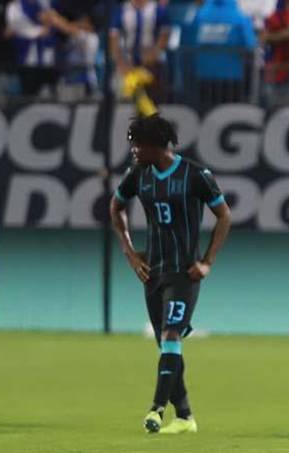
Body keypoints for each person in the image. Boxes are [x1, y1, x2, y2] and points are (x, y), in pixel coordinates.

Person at [109, 115, 234, 435]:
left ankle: (156, 410)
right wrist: (129, 251)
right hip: (152, 272)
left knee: (170, 337)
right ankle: (186, 417)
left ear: (157, 145)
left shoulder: (195, 175)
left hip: (184, 274)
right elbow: (116, 207)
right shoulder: (138, 175)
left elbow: (223, 216)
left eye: (138, 144)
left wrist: (207, 261)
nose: (133, 150)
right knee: (166, 346)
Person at [186, 0, 258, 105]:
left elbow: (188, 42)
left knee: (204, 114)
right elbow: (250, 45)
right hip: (232, 77)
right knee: (229, 116)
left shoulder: (199, 15)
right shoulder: (240, 17)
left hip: (203, 75)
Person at [109, 0, 172, 101]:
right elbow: (113, 38)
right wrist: (120, 62)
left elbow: (165, 35)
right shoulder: (121, 10)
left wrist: (153, 54)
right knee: (125, 100)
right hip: (127, 63)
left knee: (152, 102)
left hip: (152, 64)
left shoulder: (158, 10)